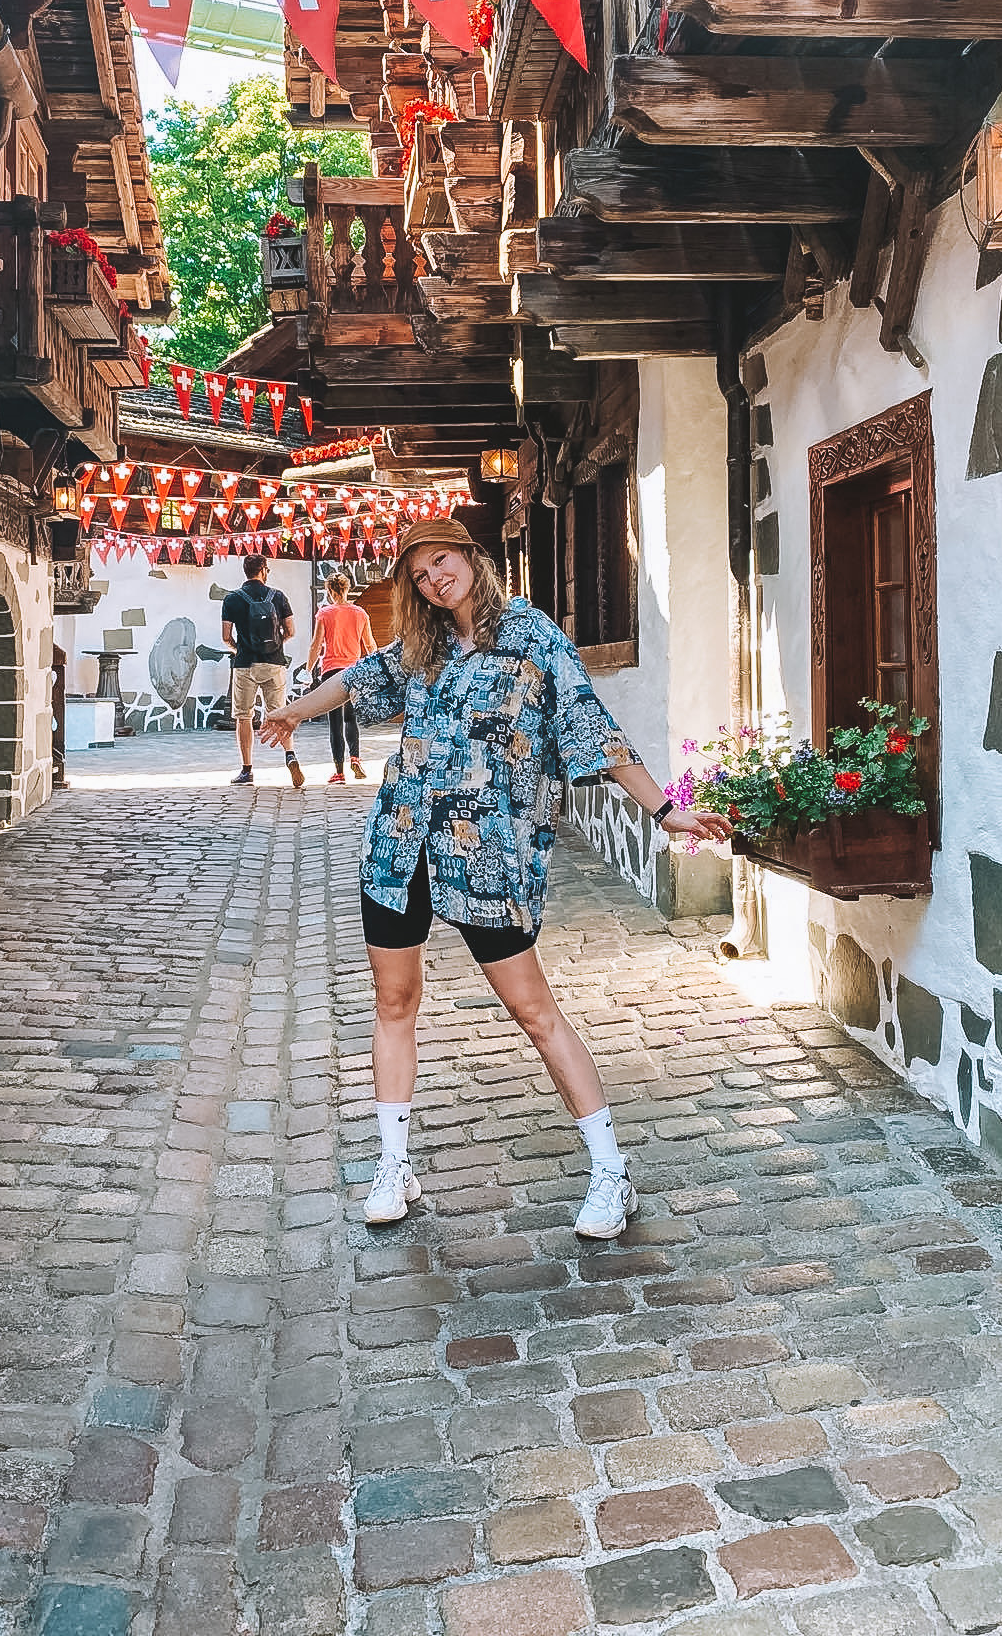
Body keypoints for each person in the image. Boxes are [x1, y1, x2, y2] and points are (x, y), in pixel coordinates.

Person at [261, 516, 730, 1238]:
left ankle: (611, 1172)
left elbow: (593, 728)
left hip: (487, 857)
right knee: (394, 1001)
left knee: (533, 1011)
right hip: (399, 847)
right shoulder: (423, 647)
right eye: (419, 574)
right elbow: (355, 679)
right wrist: (293, 712)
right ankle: (394, 1166)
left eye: (440, 561)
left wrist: (666, 811)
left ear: (472, 558)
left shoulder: (532, 636)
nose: (432, 580)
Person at [221, 554, 304, 789]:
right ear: (264, 570)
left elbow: (226, 636)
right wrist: (276, 645)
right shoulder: (278, 596)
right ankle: (290, 755)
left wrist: (239, 649)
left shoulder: (232, 599)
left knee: (243, 716)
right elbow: (291, 630)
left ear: (245, 571)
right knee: (279, 713)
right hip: (274, 663)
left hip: (245, 664)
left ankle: (247, 770)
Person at [306, 571, 377, 784]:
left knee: (335, 722)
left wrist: (309, 670)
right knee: (351, 718)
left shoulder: (324, 614)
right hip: (353, 670)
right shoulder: (360, 613)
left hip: (331, 671)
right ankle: (355, 758)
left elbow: (316, 645)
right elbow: (370, 644)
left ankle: (339, 772)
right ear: (347, 589)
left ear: (329, 591)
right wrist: (374, 669)